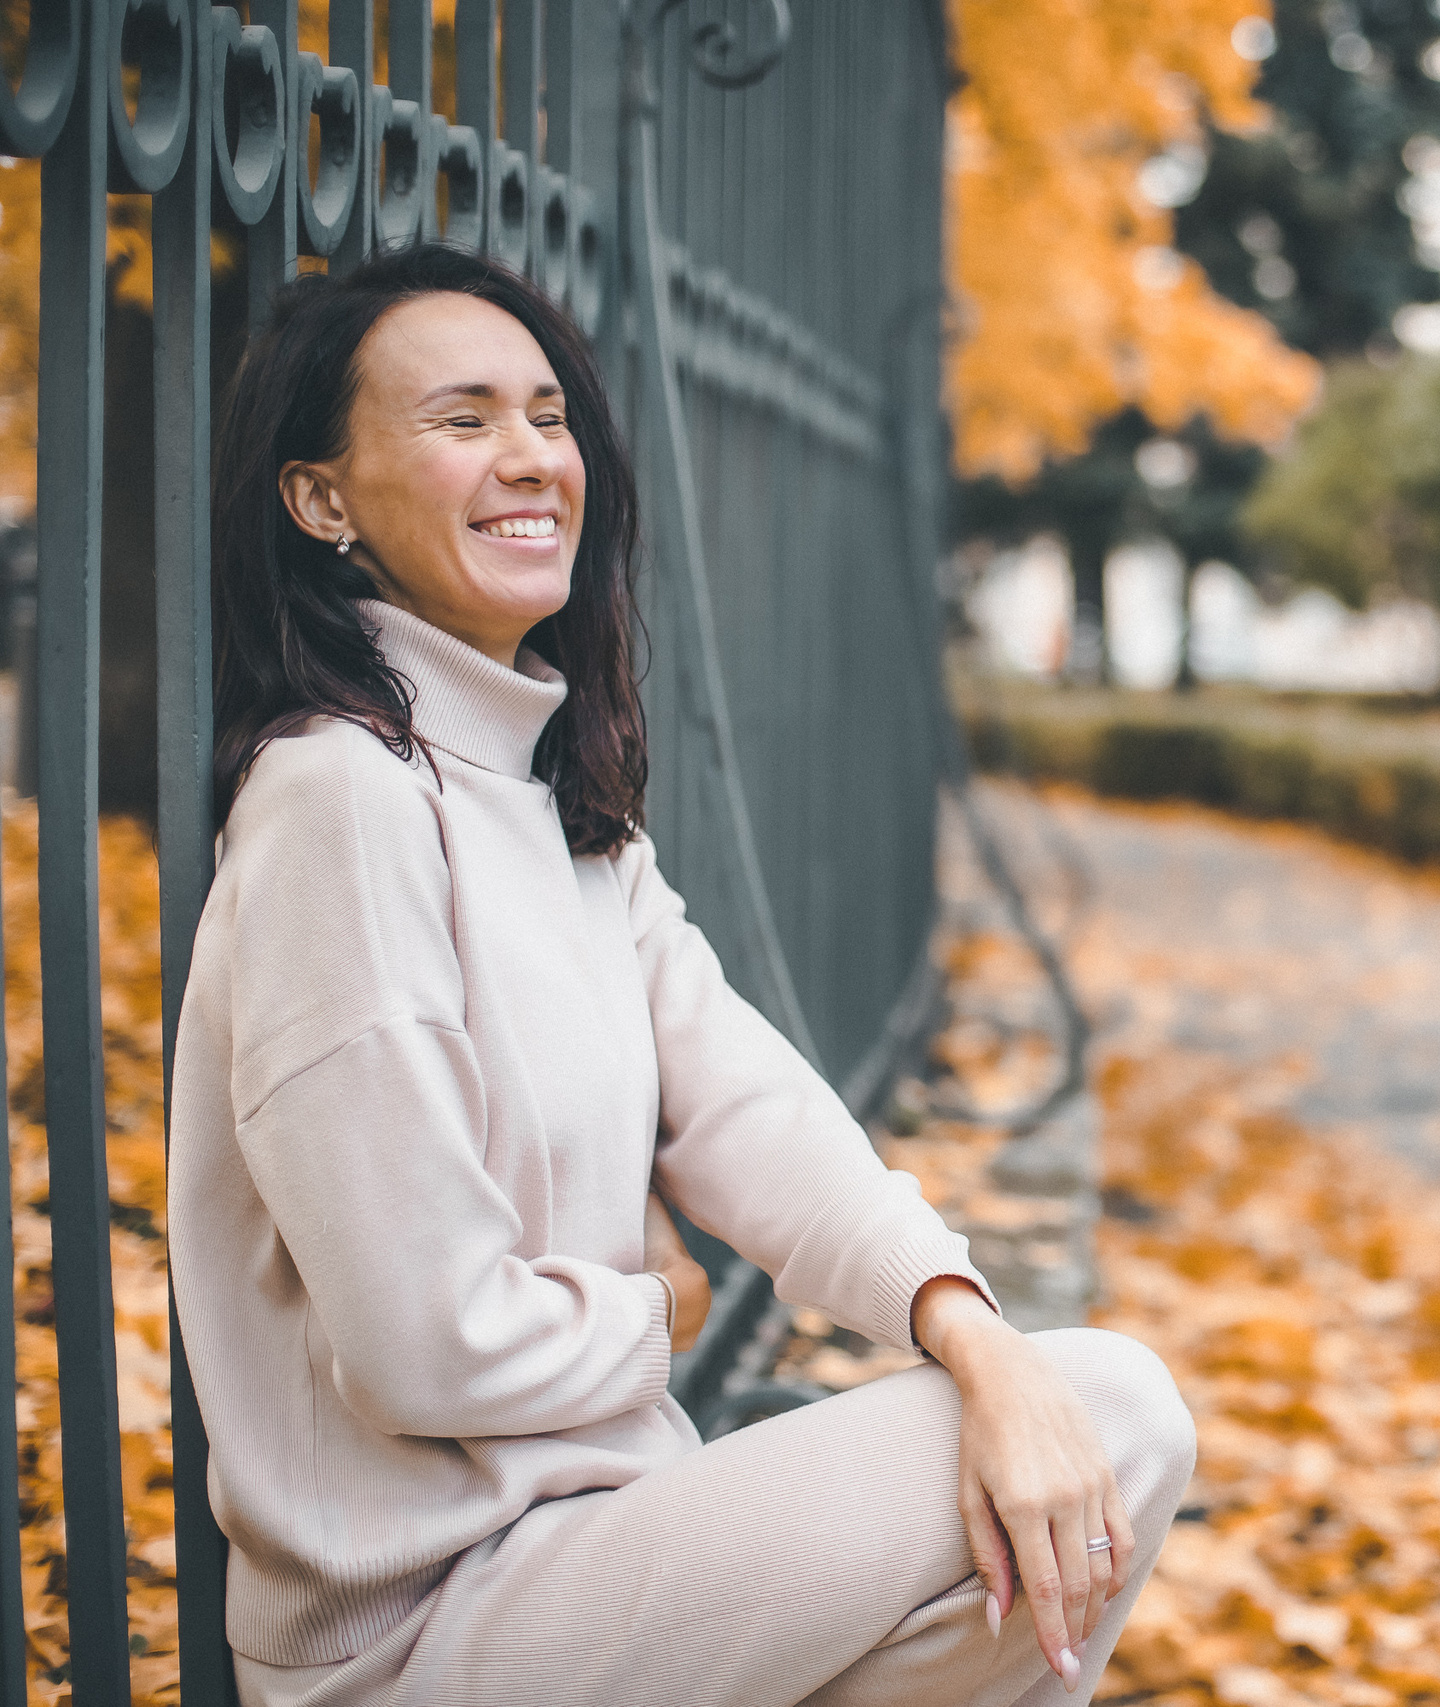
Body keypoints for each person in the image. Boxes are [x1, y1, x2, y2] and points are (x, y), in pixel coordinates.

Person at [168, 242, 1193, 1707]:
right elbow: (419, 1345)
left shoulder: (558, 808)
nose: (528, 458)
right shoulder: (341, 803)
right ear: (320, 498)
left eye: (547, 415)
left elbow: (759, 1118)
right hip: (421, 1631)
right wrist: (661, 1313)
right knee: (1124, 1411)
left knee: (1063, 1442)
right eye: (461, 421)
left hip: (602, 1551)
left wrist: (972, 1332)